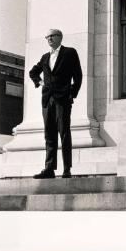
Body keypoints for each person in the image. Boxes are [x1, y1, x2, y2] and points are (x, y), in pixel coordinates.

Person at [29, 28, 83, 179]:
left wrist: (71, 93)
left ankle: (67, 169)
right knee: (49, 134)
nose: (49, 39)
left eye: (52, 36)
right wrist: (40, 83)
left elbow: (78, 75)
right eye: (47, 37)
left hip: (63, 99)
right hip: (47, 100)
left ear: (60, 37)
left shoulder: (70, 53)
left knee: (64, 133)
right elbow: (33, 72)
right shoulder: (45, 57)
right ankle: (49, 168)